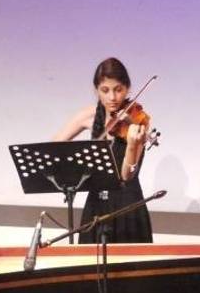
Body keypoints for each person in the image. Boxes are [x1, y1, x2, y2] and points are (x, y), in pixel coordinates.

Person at [53, 57, 153, 243]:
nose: (112, 97)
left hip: (128, 207)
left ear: (128, 88)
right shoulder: (89, 115)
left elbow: (127, 176)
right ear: (96, 90)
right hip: (96, 205)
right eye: (105, 90)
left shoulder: (137, 120)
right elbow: (54, 147)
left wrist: (133, 145)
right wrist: (78, 163)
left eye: (118, 90)